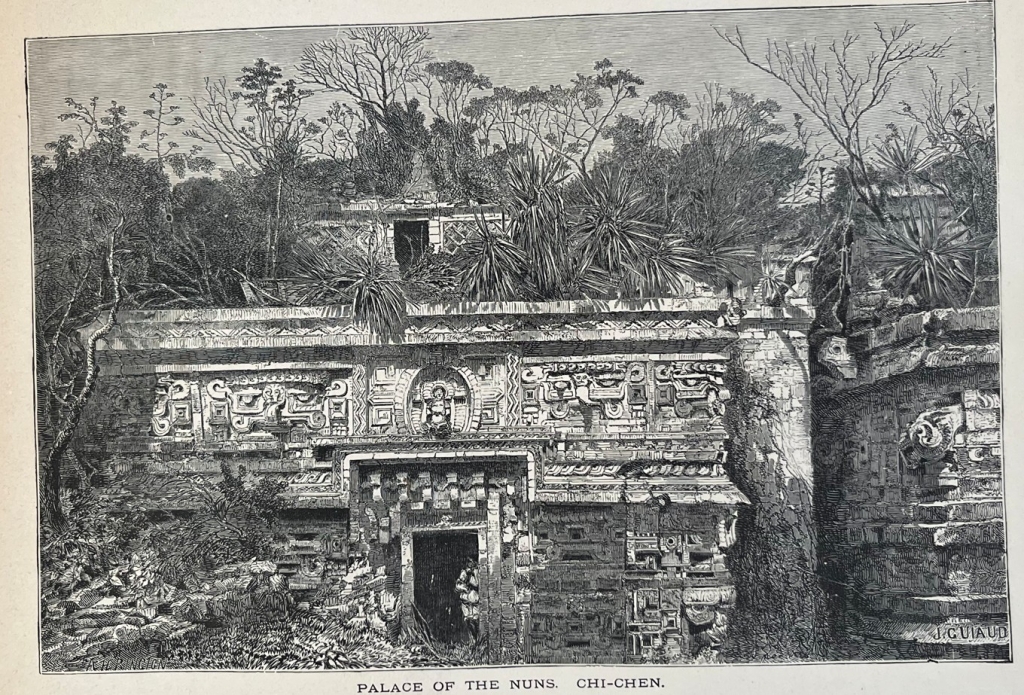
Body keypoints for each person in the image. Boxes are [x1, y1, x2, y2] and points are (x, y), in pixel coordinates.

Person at [455, 557, 480, 642]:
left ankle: (477, 640)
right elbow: (458, 585)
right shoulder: (464, 572)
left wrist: (474, 573)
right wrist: (464, 588)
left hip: (474, 600)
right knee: (468, 621)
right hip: (466, 601)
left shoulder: (476, 571)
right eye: (468, 562)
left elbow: (477, 584)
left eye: (471, 562)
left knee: (476, 620)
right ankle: (471, 641)